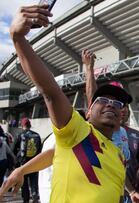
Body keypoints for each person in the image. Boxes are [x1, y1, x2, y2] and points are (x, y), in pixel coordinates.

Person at [0, 5, 127, 202]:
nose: (111, 104)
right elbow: (50, 91)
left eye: (117, 103)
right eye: (102, 100)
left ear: (121, 118)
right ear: (88, 112)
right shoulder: (77, 132)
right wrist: (18, 39)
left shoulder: (119, 157)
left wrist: (22, 169)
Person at [83, 49, 139, 203]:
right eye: (106, 102)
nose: (115, 107)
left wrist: (132, 191)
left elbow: (119, 168)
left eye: (120, 104)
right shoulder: (96, 131)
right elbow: (92, 99)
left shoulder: (126, 134)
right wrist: (89, 69)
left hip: (121, 195)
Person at [14, 118, 42, 203]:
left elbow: (14, 149)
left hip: (23, 163)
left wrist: (17, 161)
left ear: (22, 125)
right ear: (30, 125)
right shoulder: (37, 135)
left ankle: (25, 199)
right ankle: (35, 195)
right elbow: (40, 150)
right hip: (34, 163)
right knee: (34, 181)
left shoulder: (20, 135)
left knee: (24, 183)